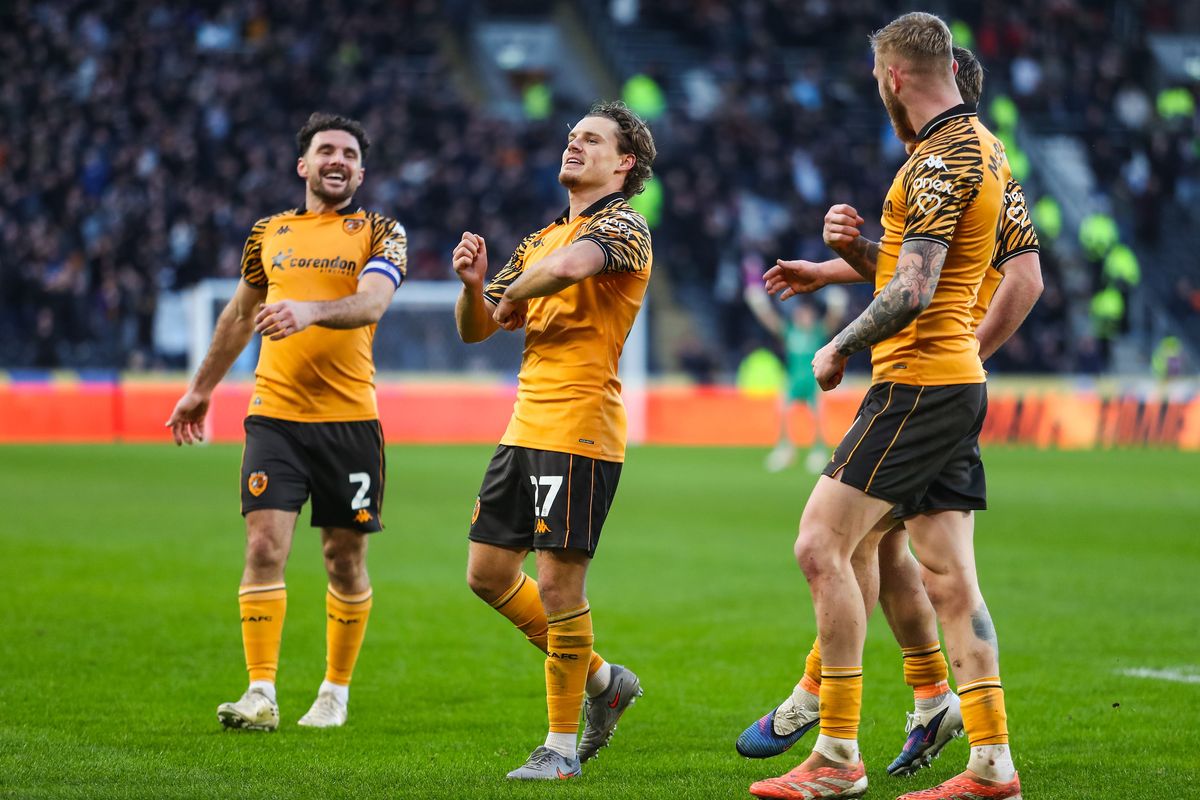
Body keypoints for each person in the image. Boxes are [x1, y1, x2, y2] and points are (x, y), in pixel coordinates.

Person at [739, 44, 1043, 779]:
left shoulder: (939, 161)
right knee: (920, 566)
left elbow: (914, 287)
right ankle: (976, 744)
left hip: (917, 385)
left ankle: (831, 734)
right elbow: (1017, 277)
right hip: (948, 381)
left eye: (880, 77)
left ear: (898, 78)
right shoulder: (993, 158)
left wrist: (838, 344)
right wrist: (839, 260)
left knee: (825, 545)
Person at [166, 112, 407, 732]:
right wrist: (200, 390)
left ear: (361, 169)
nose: (337, 160)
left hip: (349, 422)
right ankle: (261, 694)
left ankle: (334, 691)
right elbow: (240, 315)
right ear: (303, 165)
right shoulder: (267, 234)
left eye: (349, 153)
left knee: (342, 560)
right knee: (263, 544)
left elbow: (374, 302)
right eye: (326, 150)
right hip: (274, 417)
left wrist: (309, 311)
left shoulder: (382, 231)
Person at [451, 100, 656, 780]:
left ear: (623, 163)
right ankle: (603, 682)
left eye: (591, 140)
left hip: (580, 428)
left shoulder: (623, 224)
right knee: (486, 575)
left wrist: (510, 293)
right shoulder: (539, 238)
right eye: (571, 138)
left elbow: (571, 271)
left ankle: (561, 749)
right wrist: (478, 287)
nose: (574, 146)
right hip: (525, 427)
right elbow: (477, 328)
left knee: (560, 588)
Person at [742, 280, 848, 472]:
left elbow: (831, 323)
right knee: (782, 413)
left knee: (817, 418)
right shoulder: (791, 332)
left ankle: (818, 450)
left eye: (807, 315)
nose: (803, 318)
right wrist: (759, 304)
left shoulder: (816, 333)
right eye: (801, 315)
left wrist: (836, 306)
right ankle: (785, 449)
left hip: (812, 382)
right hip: (792, 382)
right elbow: (771, 321)